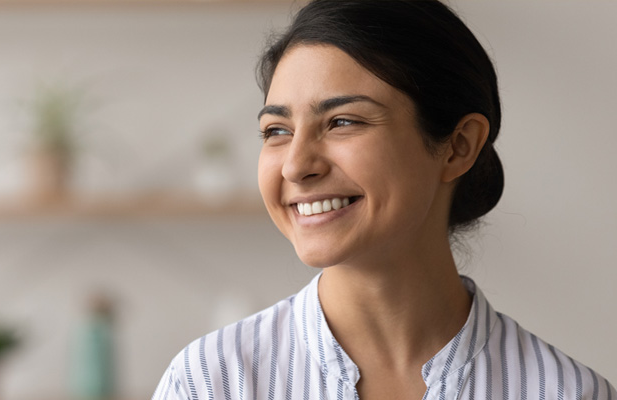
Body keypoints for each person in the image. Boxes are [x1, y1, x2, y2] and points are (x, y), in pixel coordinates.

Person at [153, 0, 616, 399]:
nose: (295, 165)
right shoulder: (211, 383)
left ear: (458, 146)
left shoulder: (566, 392)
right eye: (277, 131)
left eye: (342, 122)